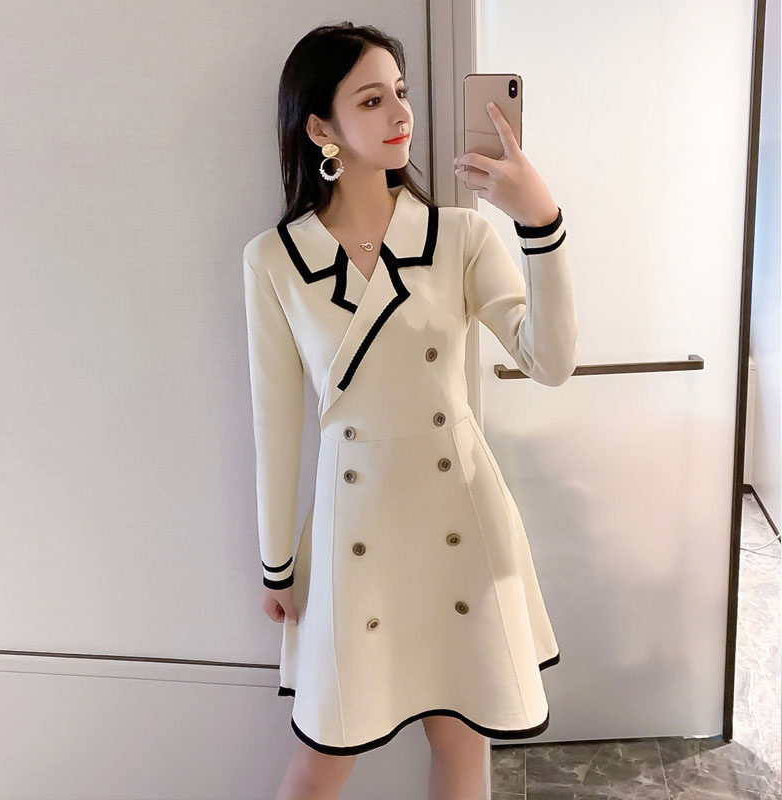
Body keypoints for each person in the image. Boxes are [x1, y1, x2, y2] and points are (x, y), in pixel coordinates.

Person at [242, 21, 578, 800]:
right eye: (372, 99)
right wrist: (276, 564)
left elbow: (550, 361)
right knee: (324, 755)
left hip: (457, 516)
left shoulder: (459, 236)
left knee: (461, 739)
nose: (401, 113)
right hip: (352, 534)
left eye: (400, 92)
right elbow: (275, 424)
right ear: (320, 129)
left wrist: (539, 222)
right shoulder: (274, 261)